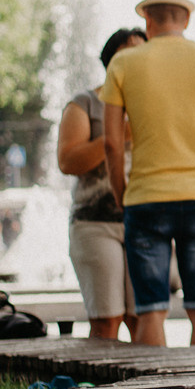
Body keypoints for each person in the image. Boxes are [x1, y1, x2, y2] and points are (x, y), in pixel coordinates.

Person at [102, 0, 195, 349]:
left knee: (150, 311)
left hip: (145, 199)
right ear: (186, 18)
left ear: (147, 18)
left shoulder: (123, 62)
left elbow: (112, 143)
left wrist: (121, 194)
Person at [60, 27, 146, 340]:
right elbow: (68, 161)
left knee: (144, 320)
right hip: (95, 223)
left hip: (143, 222)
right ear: (111, 61)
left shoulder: (151, 104)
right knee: (106, 322)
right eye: (129, 52)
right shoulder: (84, 104)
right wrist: (117, 134)